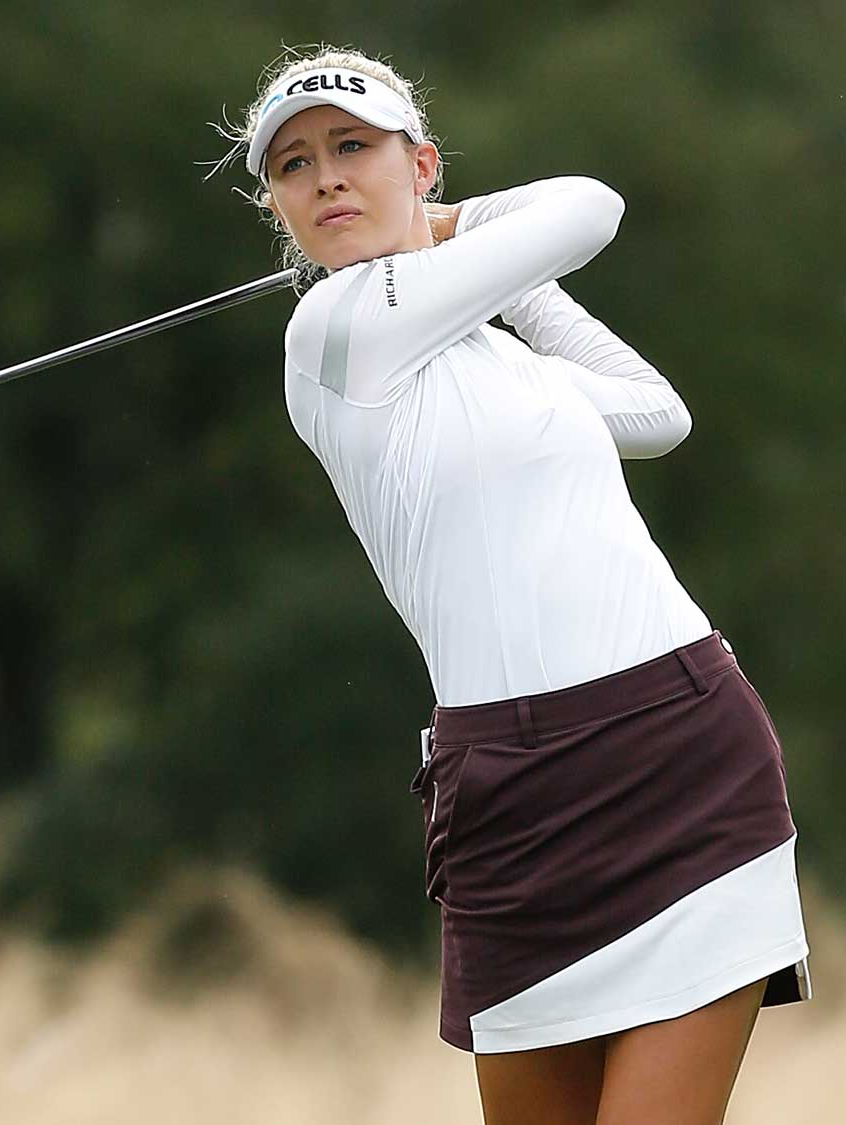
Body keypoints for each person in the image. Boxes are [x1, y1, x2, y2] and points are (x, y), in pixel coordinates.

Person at [221, 47, 812, 1125]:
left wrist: (479, 258)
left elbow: (653, 410)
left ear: (423, 163)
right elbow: (577, 210)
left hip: (683, 758)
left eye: (353, 149)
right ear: (277, 205)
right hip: (515, 801)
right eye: (295, 167)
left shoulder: (497, 365)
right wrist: (453, 237)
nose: (327, 179)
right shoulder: (333, 336)